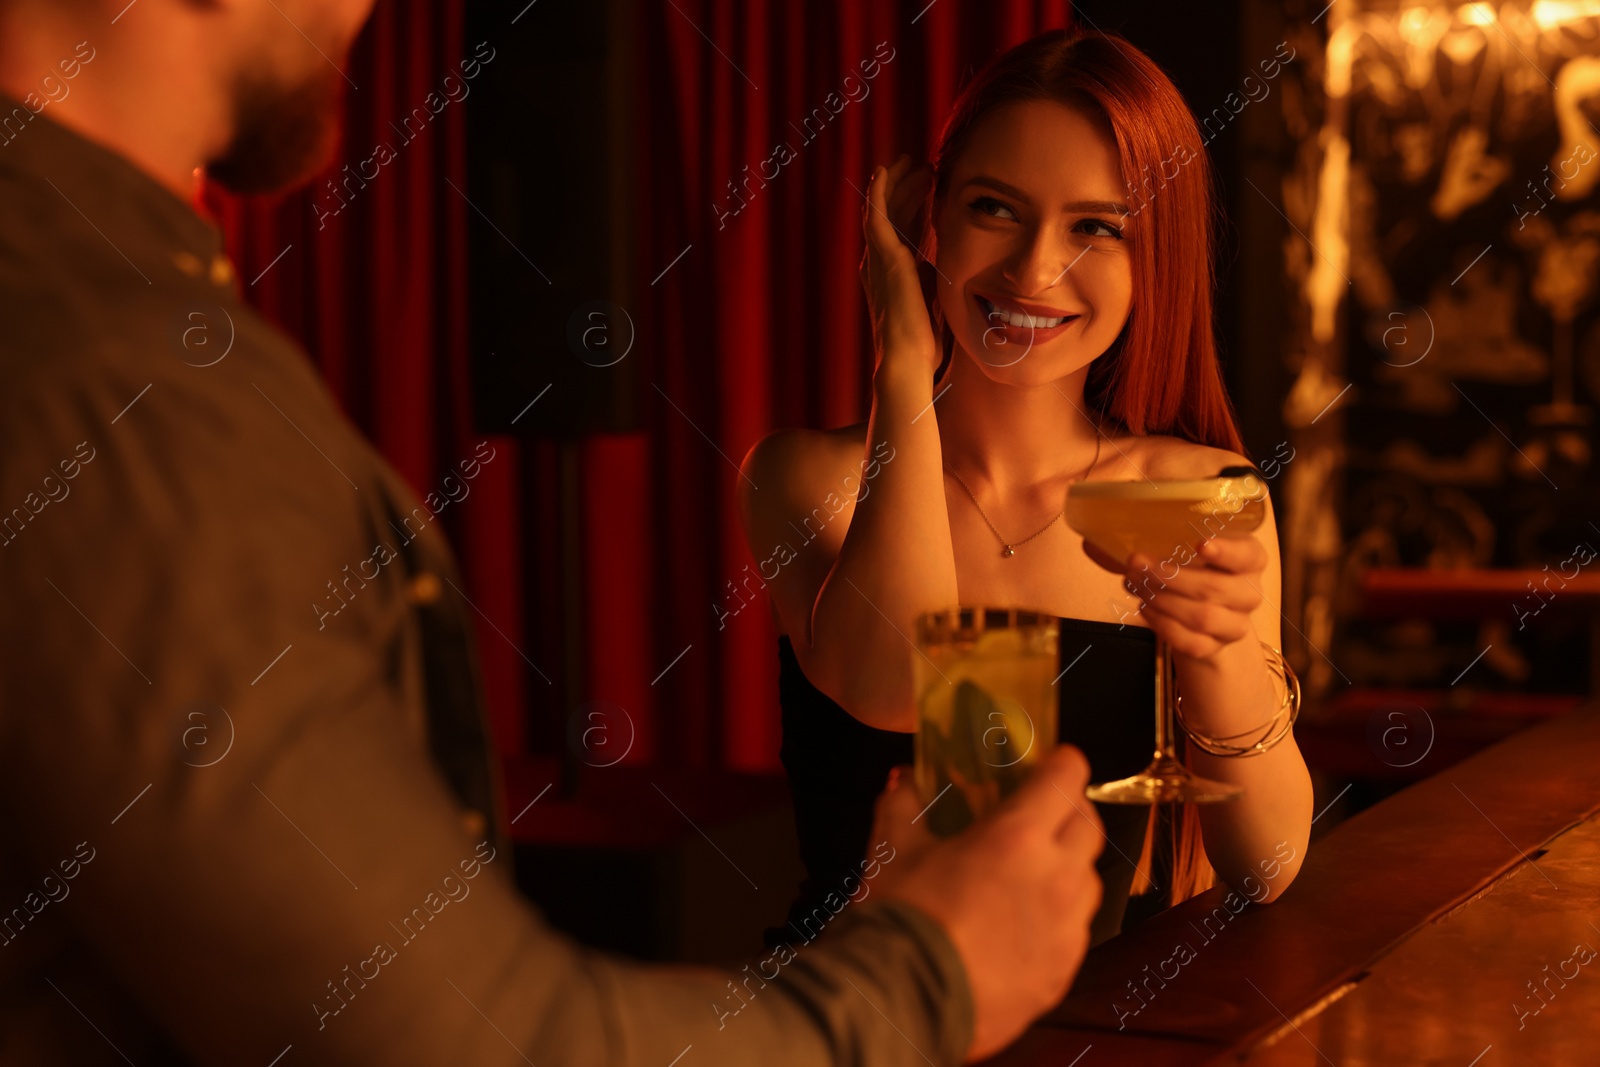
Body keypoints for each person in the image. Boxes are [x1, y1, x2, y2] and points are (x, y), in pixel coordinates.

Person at [0, 1, 1106, 1064]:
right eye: (995, 208)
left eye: (1096, 225)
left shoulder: (106, 326)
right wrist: (929, 969)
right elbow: (479, 1043)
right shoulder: (114, 383)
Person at [740, 29, 1314, 949]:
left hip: (1092, 1032)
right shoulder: (809, 477)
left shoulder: (1203, 492)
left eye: (1095, 226)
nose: (1034, 270)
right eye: (996, 209)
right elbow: (897, 690)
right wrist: (902, 367)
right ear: (928, 219)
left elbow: (1269, 864)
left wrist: (1216, 656)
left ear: (1152, 255)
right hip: (851, 1022)